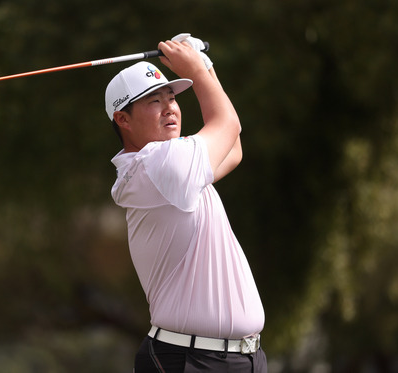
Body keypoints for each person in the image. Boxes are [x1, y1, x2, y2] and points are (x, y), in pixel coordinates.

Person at [105, 34, 266, 373]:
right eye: (153, 101)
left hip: (239, 359)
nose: (170, 108)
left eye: (172, 98)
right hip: (189, 360)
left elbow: (232, 147)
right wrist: (198, 67)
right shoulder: (158, 164)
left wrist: (204, 67)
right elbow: (228, 124)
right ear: (123, 119)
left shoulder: (170, 167)